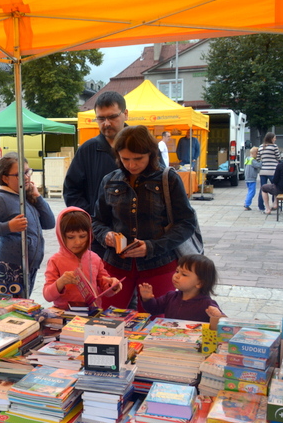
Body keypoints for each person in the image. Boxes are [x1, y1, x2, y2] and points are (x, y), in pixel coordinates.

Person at [92, 125, 198, 311]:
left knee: (155, 322)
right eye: (125, 159)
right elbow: (97, 221)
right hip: (115, 265)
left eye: (138, 158)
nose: (131, 165)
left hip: (159, 265)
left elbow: (186, 223)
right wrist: (105, 235)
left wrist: (151, 247)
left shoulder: (168, 179)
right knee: (106, 318)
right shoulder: (110, 180)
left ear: (151, 154)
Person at [0, 152, 55, 297]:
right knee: (13, 306)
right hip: (11, 266)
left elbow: (49, 223)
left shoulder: (24, 195)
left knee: (24, 304)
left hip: (29, 265)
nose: (26, 177)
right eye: (19, 175)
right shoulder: (1, 199)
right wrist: (8, 226)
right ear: (5, 178)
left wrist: (37, 197)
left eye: (27, 172)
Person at [64, 91, 128, 256]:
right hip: (99, 241)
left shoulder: (144, 146)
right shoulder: (87, 150)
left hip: (137, 238)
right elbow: (71, 191)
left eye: (112, 117)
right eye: (101, 118)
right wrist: (91, 221)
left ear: (125, 114)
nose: (106, 123)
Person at [43, 207, 122, 309]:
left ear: (89, 235)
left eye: (82, 236)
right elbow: (47, 296)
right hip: (65, 313)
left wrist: (112, 285)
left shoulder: (95, 258)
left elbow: (105, 285)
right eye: (71, 237)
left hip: (92, 312)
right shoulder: (55, 261)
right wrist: (61, 282)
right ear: (61, 236)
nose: (78, 242)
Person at [139, 254, 225, 323]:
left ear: (199, 283)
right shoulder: (171, 296)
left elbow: (225, 326)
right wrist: (147, 299)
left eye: (184, 274)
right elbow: (153, 309)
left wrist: (218, 316)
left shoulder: (207, 304)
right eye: (177, 271)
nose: (176, 276)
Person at [257, 132, 280, 212]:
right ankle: (275, 204)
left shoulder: (261, 146)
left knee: (262, 188)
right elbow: (278, 157)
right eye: (274, 138)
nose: (275, 139)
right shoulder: (274, 146)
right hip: (273, 170)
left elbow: (258, 158)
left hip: (263, 171)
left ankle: (261, 206)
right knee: (275, 187)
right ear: (271, 138)